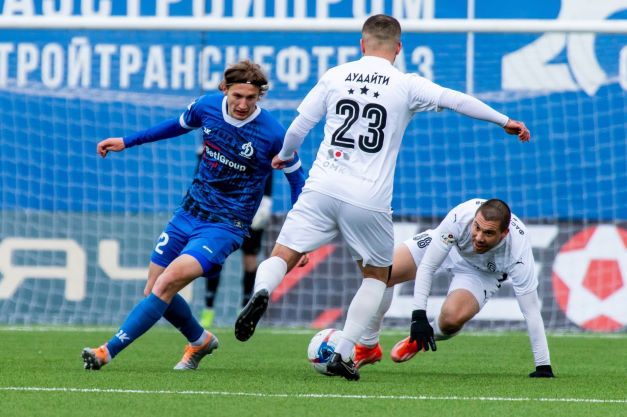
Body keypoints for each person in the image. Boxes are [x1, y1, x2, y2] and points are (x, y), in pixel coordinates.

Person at [233, 14, 531, 381]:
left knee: (283, 255)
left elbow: (299, 128)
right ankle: (345, 351)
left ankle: (262, 290)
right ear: (398, 48)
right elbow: (456, 100)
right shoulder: (406, 83)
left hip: (322, 186)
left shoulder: (336, 75)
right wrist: (504, 120)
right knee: (377, 276)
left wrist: (285, 155)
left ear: (362, 44)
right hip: (368, 197)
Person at [82, 60, 305, 371]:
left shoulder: (273, 134)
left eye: (251, 98)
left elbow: (297, 181)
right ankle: (200, 339)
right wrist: (127, 141)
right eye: (237, 96)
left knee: (167, 282)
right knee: (154, 287)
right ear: (224, 89)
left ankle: (106, 351)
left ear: (260, 97)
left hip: (226, 225)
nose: (243, 104)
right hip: (189, 211)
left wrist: (299, 239)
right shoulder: (207, 107)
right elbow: (175, 126)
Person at [352, 198, 555, 378]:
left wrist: (543, 366)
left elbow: (531, 310)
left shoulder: (518, 252)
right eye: (477, 227)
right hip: (450, 247)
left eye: (488, 233)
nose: (479, 237)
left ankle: (426, 336)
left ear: (504, 234)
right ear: (473, 220)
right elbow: (428, 266)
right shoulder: (460, 217)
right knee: (383, 273)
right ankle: (368, 346)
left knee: (451, 321)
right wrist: (418, 317)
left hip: (481, 272)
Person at [200, 170, 273, 328]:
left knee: (250, 260)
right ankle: (208, 309)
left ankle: (244, 309)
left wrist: (266, 200)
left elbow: (269, 167)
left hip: (252, 206)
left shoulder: (261, 154)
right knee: (215, 255)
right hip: (226, 206)